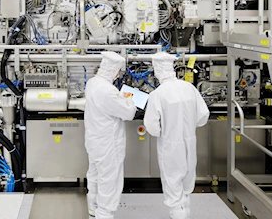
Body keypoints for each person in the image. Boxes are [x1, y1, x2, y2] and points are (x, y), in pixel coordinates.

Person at [144, 52, 210, 219]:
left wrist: (164, 132)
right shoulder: (189, 88)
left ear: (157, 70)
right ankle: (185, 211)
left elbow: (151, 126)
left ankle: (178, 214)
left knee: (173, 182)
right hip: (190, 141)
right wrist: (188, 128)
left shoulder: (157, 94)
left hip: (170, 144)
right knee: (187, 180)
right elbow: (203, 115)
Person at [85, 51, 137, 219]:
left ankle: (93, 207)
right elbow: (128, 113)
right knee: (110, 179)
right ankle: (104, 214)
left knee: (94, 174)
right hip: (108, 144)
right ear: (114, 71)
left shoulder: (92, 83)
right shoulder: (108, 90)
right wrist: (130, 100)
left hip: (94, 141)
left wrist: (120, 98)